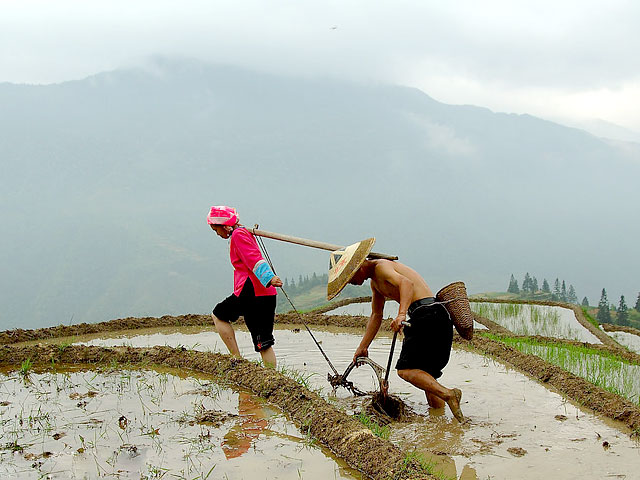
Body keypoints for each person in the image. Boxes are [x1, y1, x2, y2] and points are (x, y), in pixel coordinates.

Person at [349, 258, 464, 422]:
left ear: (358, 267)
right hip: (435, 315)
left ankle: (449, 394)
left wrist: (401, 314)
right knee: (428, 380)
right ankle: (442, 424)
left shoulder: (381, 267)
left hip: (426, 315)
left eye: (350, 278)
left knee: (405, 370)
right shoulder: (375, 283)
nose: (350, 283)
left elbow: (406, 284)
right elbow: (376, 315)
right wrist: (363, 346)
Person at [208, 206, 283, 368]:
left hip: (252, 292)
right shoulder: (243, 232)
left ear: (224, 226)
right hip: (266, 293)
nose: (217, 234)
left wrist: (269, 278)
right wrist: (269, 281)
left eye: (216, 230)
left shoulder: (238, 235)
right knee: (264, 343)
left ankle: (236, 358)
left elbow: (253, 258)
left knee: (218, 315)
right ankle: (273, 378)